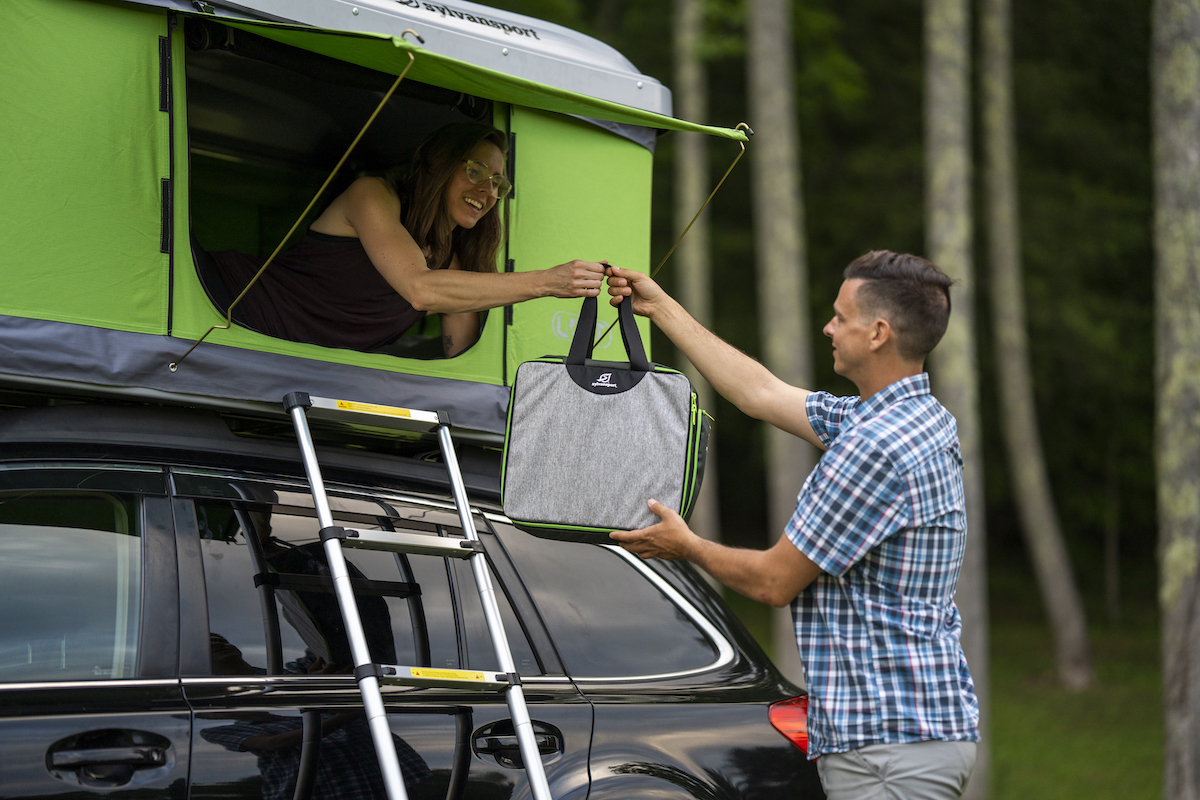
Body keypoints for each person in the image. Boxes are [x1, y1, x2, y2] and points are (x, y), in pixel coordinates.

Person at [605, 251, 979, 800]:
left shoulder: (875, 447)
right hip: (911, 734)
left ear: (877, 333)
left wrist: (686, 546)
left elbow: (772, 582)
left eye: (841, 317)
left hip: (888, 747)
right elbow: (761, 394)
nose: (828, 326)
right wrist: (661, 309)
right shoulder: (907, 418)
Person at [197, 122, 606, 357]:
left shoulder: (455, 263)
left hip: (291, 359)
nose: (488, 192)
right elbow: (419, 289)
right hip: (223, 304)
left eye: (498, 183)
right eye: (476, 172)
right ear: (440, 166)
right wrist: (548, 282)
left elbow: (457, 356)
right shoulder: (372, 194)